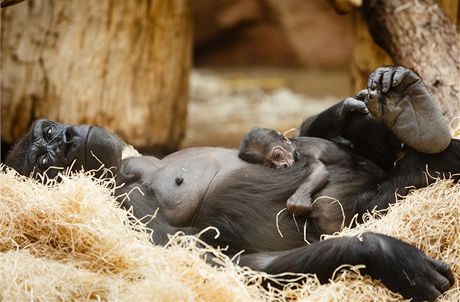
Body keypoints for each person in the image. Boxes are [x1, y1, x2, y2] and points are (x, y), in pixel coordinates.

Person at [4, 66, 457, 301]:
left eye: (47, 128)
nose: (60, 137)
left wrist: (334, 118)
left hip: (349, 157)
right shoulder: (126, 215)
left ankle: (404, 136)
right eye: (46, 153)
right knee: (433, 166)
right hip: (360, 206)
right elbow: (245, 271)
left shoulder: (145, 164)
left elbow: (281, 149)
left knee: (321, 125)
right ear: (54, 187)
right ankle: (427, 156)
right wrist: (361, 249)